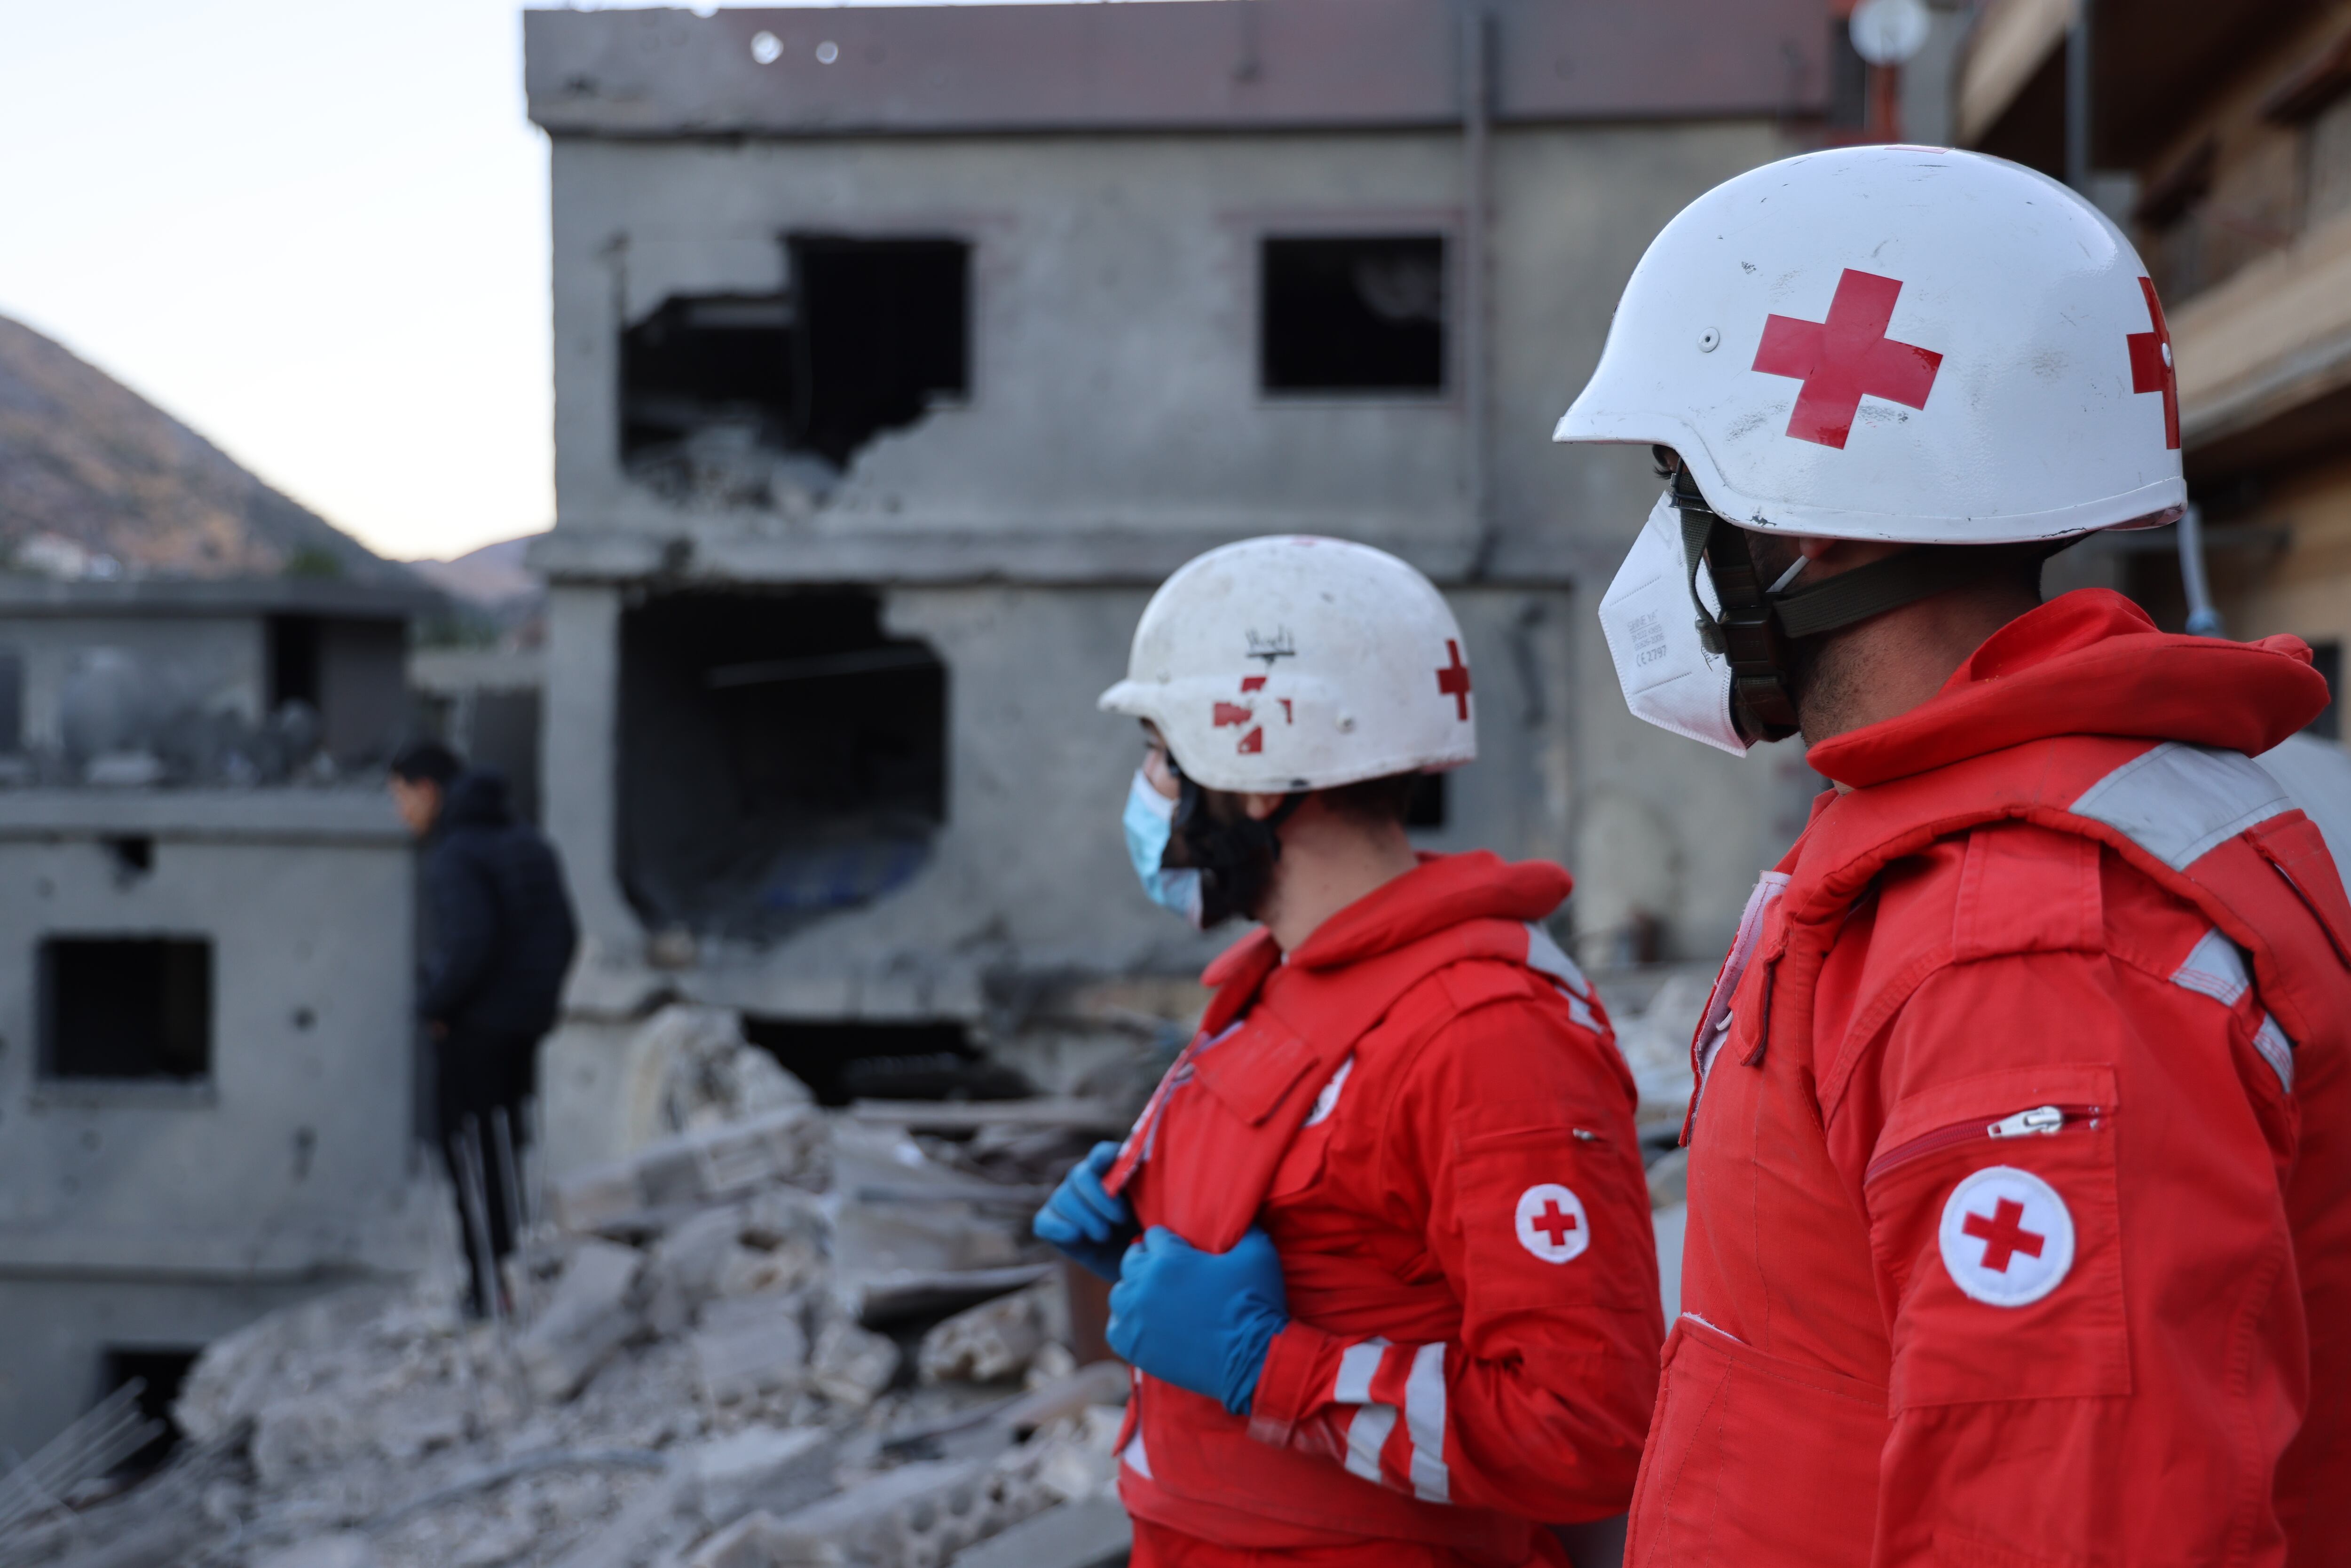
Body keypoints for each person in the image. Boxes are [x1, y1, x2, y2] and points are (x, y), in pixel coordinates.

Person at [1553, 144, 2351, 1567]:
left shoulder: (2022, 941)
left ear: (1805, 516)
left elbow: (2077, 1525)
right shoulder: (1953, 826)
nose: (1654, 554)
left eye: (1677, 485)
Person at [1034, 537, 1662, 1568]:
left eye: (1159, 750)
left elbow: (1583, 1431)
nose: (1146, 793)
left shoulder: (1487, 1036)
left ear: (1254, 777)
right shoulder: (1282, 978)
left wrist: (1262, 1365)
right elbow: (1344, 1246)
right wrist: (1155, 1218)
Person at [389, 740, 579, 1317]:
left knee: (471, 1161)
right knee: (504, 1155)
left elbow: (470, 942)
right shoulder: (526, 841)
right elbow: (564, 933)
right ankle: (509, 1278)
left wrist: (433, 1003)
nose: (402, 813)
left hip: (476, 1031)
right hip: (524, 1029)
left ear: (427, 791)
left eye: (401, 797)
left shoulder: (456, 853)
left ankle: (488, 1289)